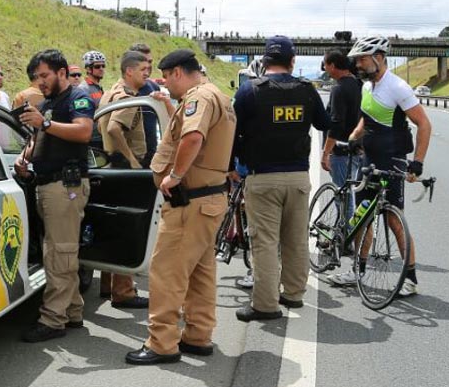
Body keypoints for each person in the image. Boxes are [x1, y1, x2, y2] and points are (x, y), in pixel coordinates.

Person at [126, 49, 236, 365]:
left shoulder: (198, 98)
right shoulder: (220, 96)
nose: (164, 84)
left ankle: (161, 343)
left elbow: (193, 137)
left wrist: (174, 176)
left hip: (190, 202)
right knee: (201, 273)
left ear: (177, 72)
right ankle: (198, 336)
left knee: (167, 273)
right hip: (210, 200)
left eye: (166, 77)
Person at [233, 36, 329, 321]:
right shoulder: (307, 90)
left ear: (264, 62)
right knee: (296, 239)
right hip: (299, 176)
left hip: (262, 178)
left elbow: (231, 131)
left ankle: (265, 305)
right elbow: (324, 124)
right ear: (292, 62)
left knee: (264, 242)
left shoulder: (250, 91)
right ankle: (294, 294)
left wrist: (231, 168)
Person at [328, 36, 432, 295]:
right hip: (368, 160)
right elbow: (367, 118)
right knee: (363, 217)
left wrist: (417, 162)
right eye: (357, 60)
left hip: (392, 160)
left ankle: (410, 279)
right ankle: (357, 271)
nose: (358, 64)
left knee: (393, 220)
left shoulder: (398, 87)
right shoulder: (366, 87)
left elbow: (424, 124)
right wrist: (353, 139)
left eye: (362, 59)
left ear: (379, 57)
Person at [15, 50, 95, 342]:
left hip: (66, 186)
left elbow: (84, 131)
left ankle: (52, 319)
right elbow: (39, 139)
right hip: (48, 186)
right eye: (36, 77)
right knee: (58, 251)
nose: (40, 81)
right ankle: (72, 311)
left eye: (44, 75)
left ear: (62, 72)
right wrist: (24, 159)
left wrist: (45, 123)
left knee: (59, 253)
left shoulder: (78, 97)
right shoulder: (48, 104)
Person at [92, 50, 152, 309]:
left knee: (113, 225)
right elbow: (116, 128)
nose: (147, 73)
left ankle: (108, 284)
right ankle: (124, 291)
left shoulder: (111, 91)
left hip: (111, 163)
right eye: (143, 70)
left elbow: (102, 125)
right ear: (129, 71)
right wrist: (133, 159)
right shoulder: (127, 97)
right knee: (130, 229)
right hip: (126, 165)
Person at [320, 51, 364, 217]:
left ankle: (347, 239)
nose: (324, 68)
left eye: (325, 64)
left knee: (344, 198)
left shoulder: (339, 89)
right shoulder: (361, 86)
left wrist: (325, 153)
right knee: (352, 196)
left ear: (332, 65)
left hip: (341, 151)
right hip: (359, 149)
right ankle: (345, 235)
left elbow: (337, 124)